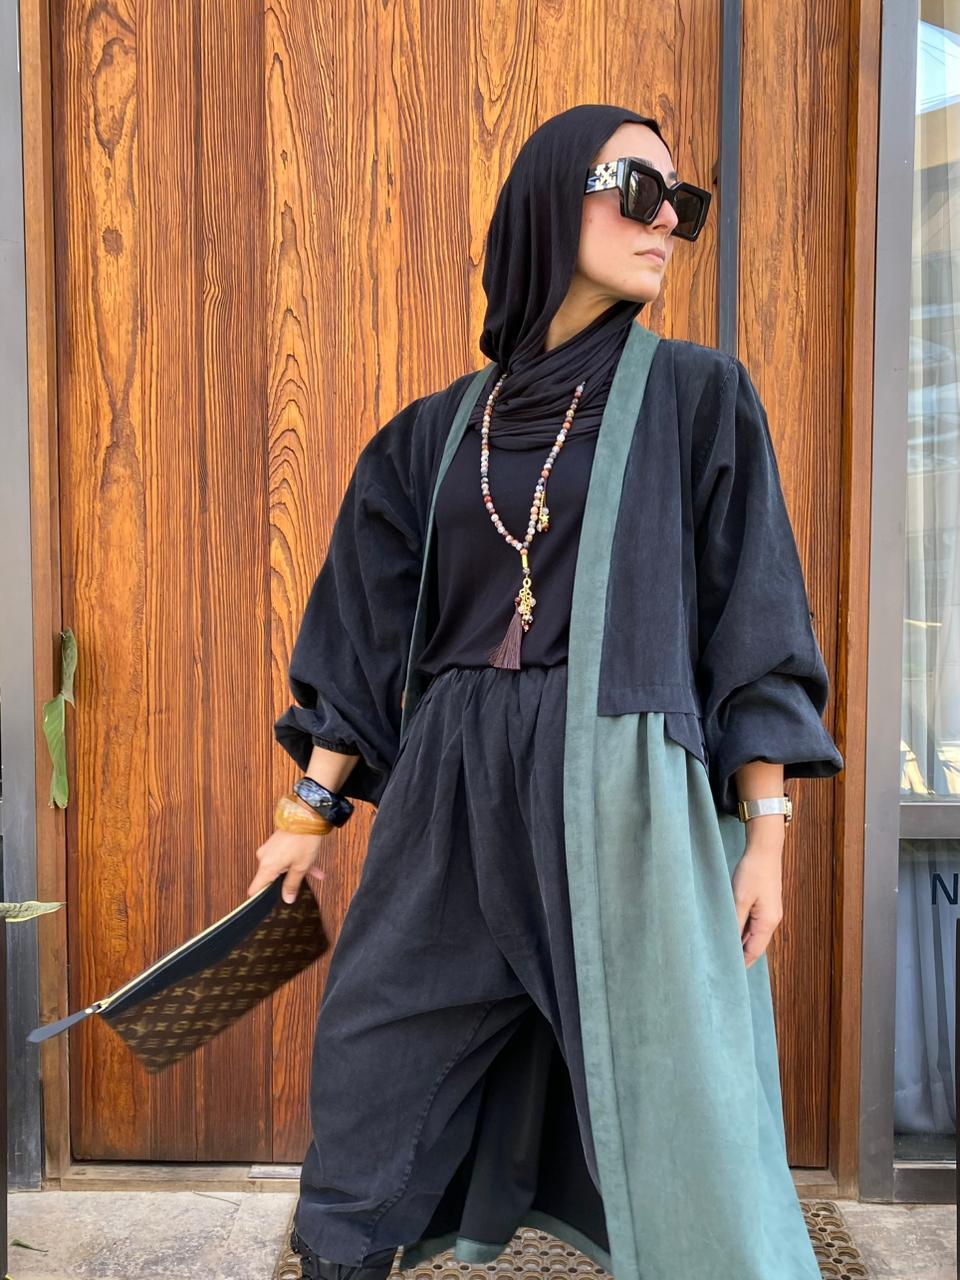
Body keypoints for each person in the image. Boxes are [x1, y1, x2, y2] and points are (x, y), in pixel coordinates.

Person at [250, 103, 844, 1280]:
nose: (667, 220)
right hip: (450, 801)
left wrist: (767, 833)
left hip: (623, 795)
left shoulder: (697, 399)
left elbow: (755, 622)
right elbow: (363, 640)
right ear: (546, 201)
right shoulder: (430, 437)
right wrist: (306, 815)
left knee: (679, 1111)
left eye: (683, 203)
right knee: (368, 1065)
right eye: (638, 189)